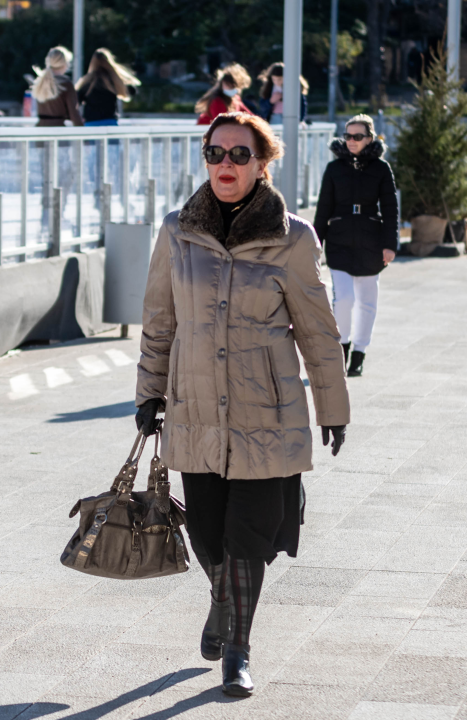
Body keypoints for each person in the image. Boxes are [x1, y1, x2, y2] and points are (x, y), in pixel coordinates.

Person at [135, 112, 350, 697]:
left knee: (249, 535)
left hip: (268, 411)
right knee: (206, 533)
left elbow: (318, 331)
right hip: (196, 407)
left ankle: (237, 648)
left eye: (238, 154)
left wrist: (333, 407)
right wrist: (150, 392)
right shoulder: (177, 230)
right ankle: (223, 602)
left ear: (262, 164)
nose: (225, 165)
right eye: (215, 153)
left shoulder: (294, 236)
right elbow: (160, 320)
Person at [312, 114, 398, 378]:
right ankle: (343, 347)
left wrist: (389, 244)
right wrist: (315, 243)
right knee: (344, 299)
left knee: (367, 302)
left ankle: (359, 352)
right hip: (339, 240)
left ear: (369, 138)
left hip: (371, 241)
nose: (351, 141)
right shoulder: (334, 168)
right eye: (348, 136)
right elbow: (323, 207)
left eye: (357, 136)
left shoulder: (381, 168)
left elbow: (391, 208)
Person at [75, 48, 141, 127]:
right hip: (110, 123)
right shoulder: (113, 81)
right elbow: (132, 91)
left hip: (91, 123)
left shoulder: (87, 82)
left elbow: (76, 100)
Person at [31, 46, 83, 127]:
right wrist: (83, 133)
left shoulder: (40, 81)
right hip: (58, 131)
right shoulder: (66, 84)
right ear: (65, 63)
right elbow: (74, 113)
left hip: (40, 131)